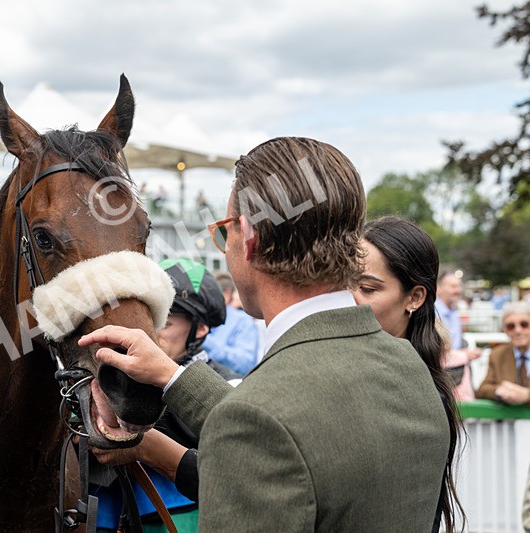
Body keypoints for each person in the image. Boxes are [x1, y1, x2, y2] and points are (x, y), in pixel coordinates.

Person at [79, 137, 452, 531]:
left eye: (223, 234)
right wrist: (171, 375)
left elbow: (270, 428)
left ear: (249, 238)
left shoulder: (258, 420)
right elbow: (307, 435)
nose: (225, 248)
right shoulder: (410, 364)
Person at [89, 258, 239, 532]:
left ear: (200, 328)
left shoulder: (231, 383)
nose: (150, 335)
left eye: (165, 323)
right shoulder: (109, 378)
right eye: (147, 322)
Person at [352, 216, 464, 530]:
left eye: (367, 288)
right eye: (342, 283)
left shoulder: (415, 394)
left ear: (414, 298)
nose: (350, 299)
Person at [200, 271, 259, 375]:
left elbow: (245, 364)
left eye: (209, 294)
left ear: (226, 295)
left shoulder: (243, 321)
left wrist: (204, 340)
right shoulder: (202, 317)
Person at [475, 301, 530, 405]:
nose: (518, 330)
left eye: (524, 324)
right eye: (511, 326)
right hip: (509, 419)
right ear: (505, 330)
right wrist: (499, 391)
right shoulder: (497, 355)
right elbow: (482, 389)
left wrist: (527, 395)